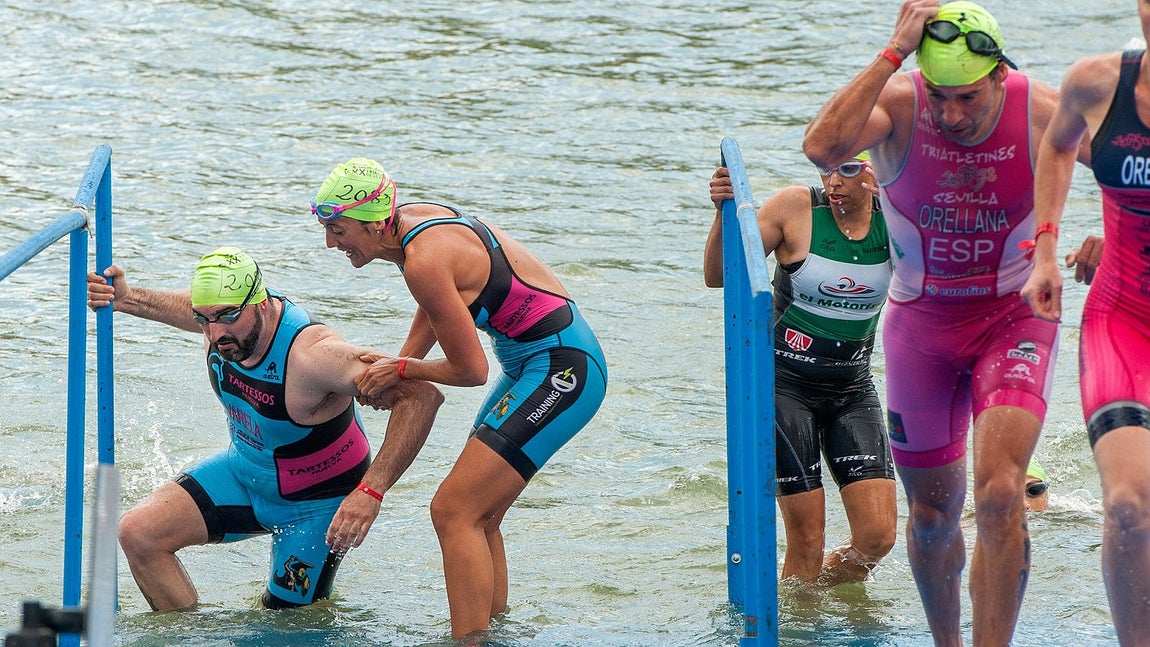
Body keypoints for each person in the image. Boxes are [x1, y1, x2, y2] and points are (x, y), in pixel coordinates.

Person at [802, 1, 1091, 643]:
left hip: (1014, 316)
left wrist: (1107, 239)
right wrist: (893, 52)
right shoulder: (901, 104)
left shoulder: (1039, 108)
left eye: (967, 98)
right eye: (941, 97)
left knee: (999, 492)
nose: (953, 115)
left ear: (997, 75)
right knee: (932, 516)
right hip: (921, 330)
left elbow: (1137, 177)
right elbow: (822, 147)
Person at [309, 158, 609, 640]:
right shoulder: (416, 223)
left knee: (453, 511)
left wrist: (402, 368)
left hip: (561, 371)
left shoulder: (423, 261)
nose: (331, 243)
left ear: (373, 222)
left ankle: (468, 639)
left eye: (339, 230)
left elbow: (470, 371)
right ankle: (489, 631)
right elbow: (439, 304)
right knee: (481, 515)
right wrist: (398, 367)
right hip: (542, 364)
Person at [86, 247, 444, 610]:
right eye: (204, 319)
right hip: (245, 475)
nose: (215, 332)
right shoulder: (220, 324)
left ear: (261, 303)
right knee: (139, 534)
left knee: (282, 625)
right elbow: (196, 310)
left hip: (316, 506)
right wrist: (129, 299)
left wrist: (371, 492)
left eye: (227, 317)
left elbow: (422, 397)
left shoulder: (314, 354)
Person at [703, 152, 897, 586]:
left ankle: (811, 593)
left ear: (877, 171)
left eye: (848, 169)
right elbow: (720, 276)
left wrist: (909, 211)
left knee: (878, 537)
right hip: (784, 387)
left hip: (852, 387)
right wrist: (724, 216)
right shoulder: (794, 209)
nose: (833, 181)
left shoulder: (900, 221)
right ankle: (800, 628)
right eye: (826, 169)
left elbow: (937, 283)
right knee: (806, 540)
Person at [1019, 26, 1150, 643]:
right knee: (1127, 505)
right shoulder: (1098, 84)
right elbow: (1056, 143)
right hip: (1123, 318)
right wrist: (1045, 247)